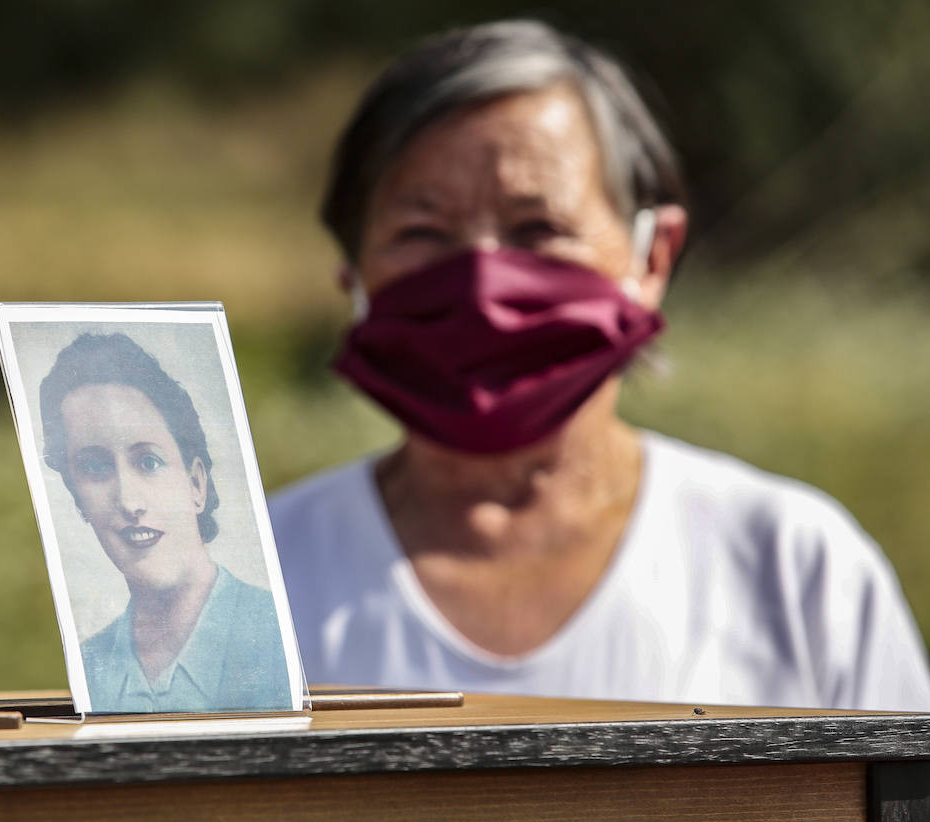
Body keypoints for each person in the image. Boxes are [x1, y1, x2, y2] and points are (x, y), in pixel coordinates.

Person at [268, 20, 930, 710]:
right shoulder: (259, 584)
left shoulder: (794, 570)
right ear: (352, 277)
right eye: (421, 233)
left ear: (652, 256)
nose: (482, 283)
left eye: (538, 229)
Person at [40, 331, 291, 713]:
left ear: (195, 483)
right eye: (94, 467)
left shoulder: (280, 634)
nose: (128, 501)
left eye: (148, 462)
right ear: (79, 499)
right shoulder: (89, 666)